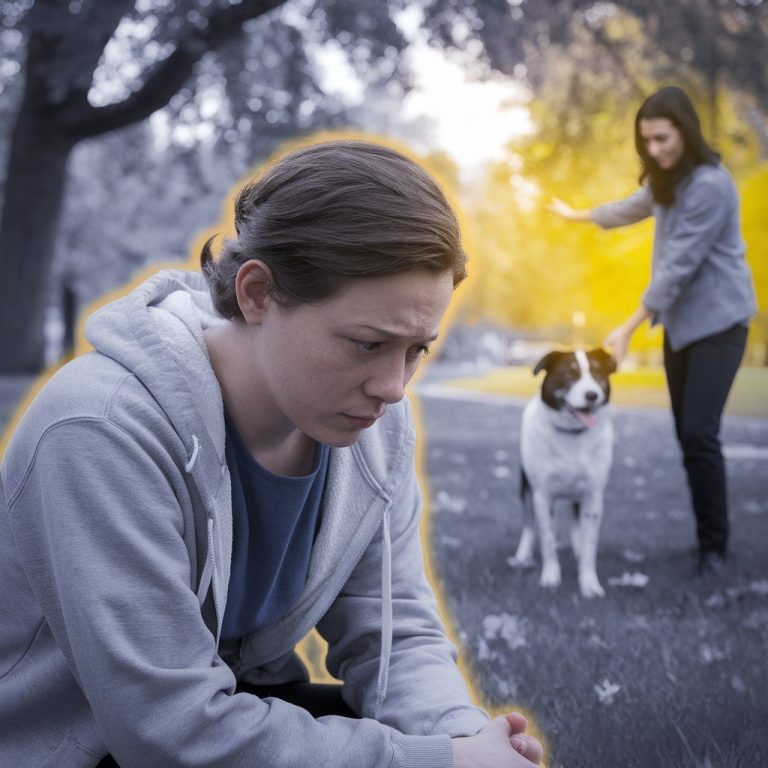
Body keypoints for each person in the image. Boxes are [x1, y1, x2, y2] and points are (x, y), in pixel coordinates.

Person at [0, 140, 543, 768]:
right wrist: (435, 763)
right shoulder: (99, 429)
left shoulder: (369, 428)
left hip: (224, 709)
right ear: (257, 294)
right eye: (368, 344)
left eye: (417, 349)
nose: (394, 387)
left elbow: (393, 635)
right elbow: (168, 731)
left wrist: (464, 740)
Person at [549, 86, 757, 576]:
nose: (656, 150)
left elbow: (677, 268)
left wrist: (625, 329)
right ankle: (708, 541)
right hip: (683, 326)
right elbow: (628, 207)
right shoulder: (669, 181)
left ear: (685, 130)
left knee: (699, 433)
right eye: (648, 143)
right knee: (689, 436)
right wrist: (575, 215)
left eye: (663, 138)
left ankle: (714, 551)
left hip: (720, 323)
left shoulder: (710, 184)